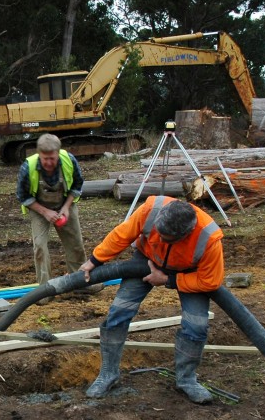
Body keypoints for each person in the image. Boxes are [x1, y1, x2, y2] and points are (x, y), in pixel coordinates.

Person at [79, 196, 224, 404]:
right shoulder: (152, 209)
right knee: (119, 311)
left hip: (189, 273)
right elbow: (122, 234)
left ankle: (187, 380)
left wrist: (167, 279)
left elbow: (211, 281)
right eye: (159, 234)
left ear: (185, 235)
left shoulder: (209, 238)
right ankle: (108, 374)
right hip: (145, 259)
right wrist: (95, 260)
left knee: (197, 326)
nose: (161, 240)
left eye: (167, 239)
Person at [16, 133, 99, 300]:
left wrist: (66, 207)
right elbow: (23, 196)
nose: (48, 162)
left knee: (75, 243)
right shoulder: (28, 166)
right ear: (39, 154)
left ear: (58, 153)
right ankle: (45, 291)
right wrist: (45, 212)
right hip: (38, 207)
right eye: (45, 158)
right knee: (39, 246)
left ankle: (79, 283)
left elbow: (77, 185)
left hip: (64, 204)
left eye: (52, 158)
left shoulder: (69, 160)